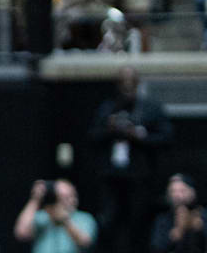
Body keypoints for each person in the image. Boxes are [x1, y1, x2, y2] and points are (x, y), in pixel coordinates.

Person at [90, 66, 173, 253]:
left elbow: (167, 138)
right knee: (109, 221)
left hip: (140, 177)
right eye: (122, 83)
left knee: (138, 221)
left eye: (130, 83)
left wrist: (139, 136)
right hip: (111, 176)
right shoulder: (107, 108)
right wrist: (109, 130)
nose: (126, 87)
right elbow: (92, 137)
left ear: (137, 84)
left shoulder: (150, 109)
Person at [13, 179, 97, 253]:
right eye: (59, 197)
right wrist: (36, 199)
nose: (62, 201)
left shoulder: (84, 218)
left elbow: (85, 243)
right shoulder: (43, 216)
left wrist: (64, 221)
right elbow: (21, 233)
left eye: (66, 197)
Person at [149, 173, 207, 253]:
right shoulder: (163, 220)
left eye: (182, 191)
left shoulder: (203, 215)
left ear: (192, 192)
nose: (177, 195)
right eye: (173, 191)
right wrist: (177, 231)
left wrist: (199, 228)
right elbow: (156, 247)